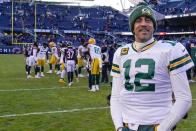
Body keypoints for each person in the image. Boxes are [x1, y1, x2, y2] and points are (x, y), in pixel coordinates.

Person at [110, 2, 193, 131]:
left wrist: (160, 129)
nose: (143, 24)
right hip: (126, 124)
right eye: (138, 20)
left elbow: (184, 98)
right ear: (132, 27)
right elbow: (115, 96)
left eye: (148, 20)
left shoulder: (171, 49)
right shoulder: (121, 53)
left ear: (154, 26)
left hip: (156, 122)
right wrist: (119, 127)